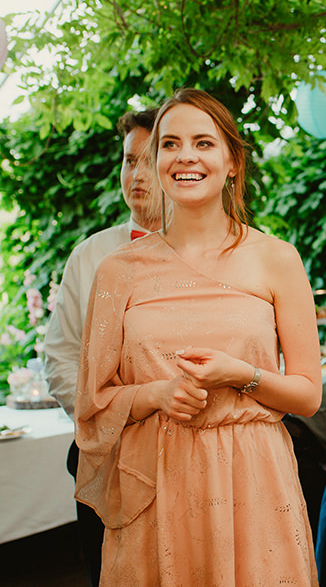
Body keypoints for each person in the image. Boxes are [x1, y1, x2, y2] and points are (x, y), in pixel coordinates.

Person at [74, 88, 321, 585]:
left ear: (232, 162)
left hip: (254, 479)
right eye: (170, 144)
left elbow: (309, 395)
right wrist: (155, 394)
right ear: (155, 160)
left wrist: (242, 374)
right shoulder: (117, 271)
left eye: (203, 143)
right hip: (156, 481)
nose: (185, 156)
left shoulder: (277, 259)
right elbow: (93, 402)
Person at [44, 107, 161, 587]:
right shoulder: (90, 255)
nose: (137, 175)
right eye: (129, 161)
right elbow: (60, 358)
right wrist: (108, 418)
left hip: (189, 457)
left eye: (149, 161)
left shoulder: (220, 255)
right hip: (105, 458)